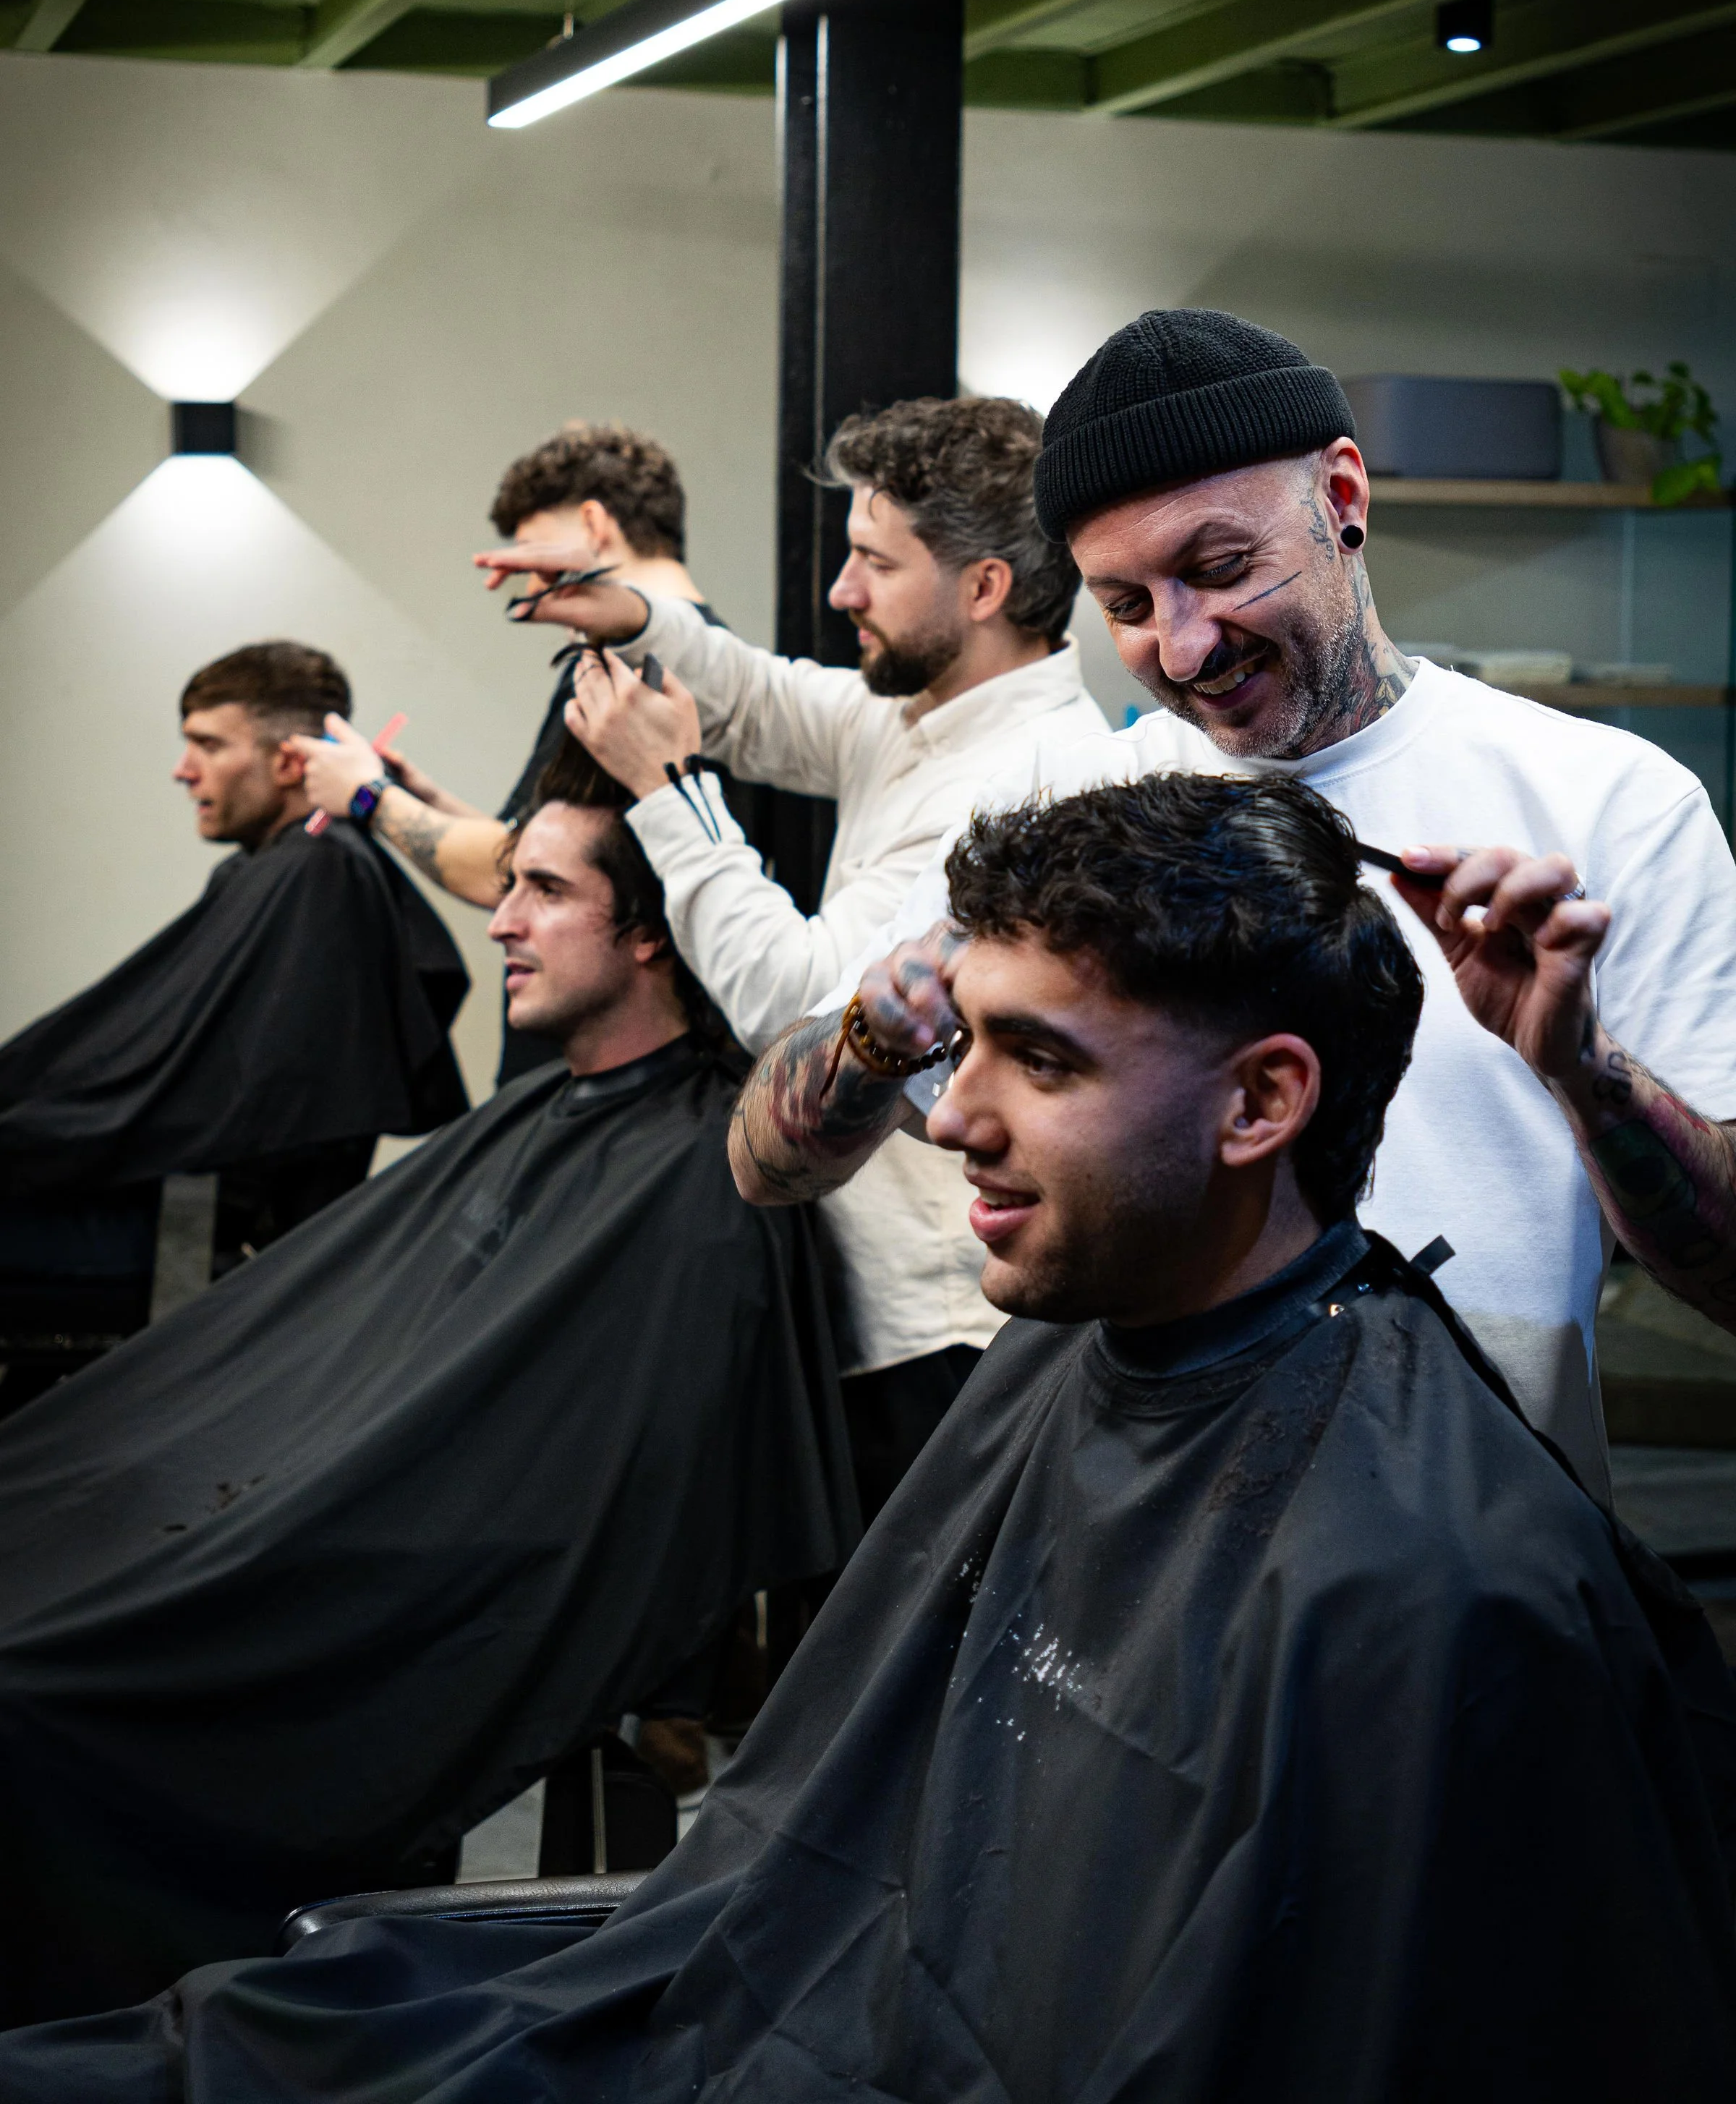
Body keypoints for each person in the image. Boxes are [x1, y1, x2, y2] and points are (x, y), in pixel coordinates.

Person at [10, 774, 1735, 2102]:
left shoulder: (1426, 1591)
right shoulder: (1080, 1352)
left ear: (1260, 1100)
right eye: (963, 1042)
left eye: (1036, 1061)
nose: (954, 1115)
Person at [731, 310, 1736, 1496]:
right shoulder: (1065, 803)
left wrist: (1580, 1066)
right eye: (1127, 605)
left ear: (1342, 498)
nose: (1185, 646)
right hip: (1132, 1518)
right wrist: (881, 1026)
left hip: (1478, 1532)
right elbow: (766, 1164)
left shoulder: (1607, 806)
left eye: (1220, 570)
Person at [0, 738, 855, 2031]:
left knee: (36, 1690)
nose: (500, 922)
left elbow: (598, 1510)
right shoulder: (550, 1118)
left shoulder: (694, 1182)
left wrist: (277, 1528)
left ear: (649, 934)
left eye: (544, 893)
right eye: (507, 886)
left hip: (394, 1581)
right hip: (308, 1509)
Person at [481, 395, 1107, 1517]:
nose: (841, 592)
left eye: (875, 563)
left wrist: (669, 792)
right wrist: (639, 614)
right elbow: (762, 699)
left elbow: (809, 1013)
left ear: (984, 588)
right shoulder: (926, 712)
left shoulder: (1023, 777)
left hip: (942, 1323)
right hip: (863, 1278)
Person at [0, 642, 469, 1380]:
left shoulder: (317, 876)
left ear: (288, 762)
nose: (183, 770)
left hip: (187, 1235)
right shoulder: (277, 871)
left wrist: (33, 1127)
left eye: (209, 745)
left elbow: (185, 1096)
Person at [297, 419, 746, 1084]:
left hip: (615, 1068)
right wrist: (425, 801)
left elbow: (505, 875)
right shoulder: (714, 670)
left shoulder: (628, 679)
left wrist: (368, 797)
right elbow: (540, 852)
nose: (531, 586)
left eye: (537, 558)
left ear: (595, 526)